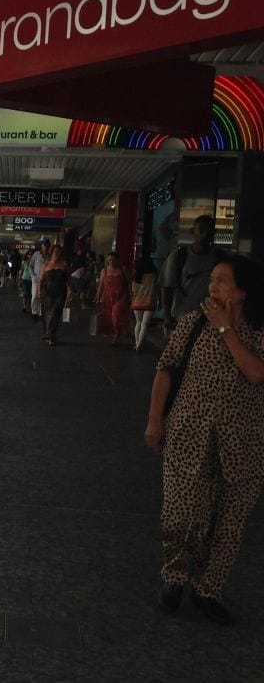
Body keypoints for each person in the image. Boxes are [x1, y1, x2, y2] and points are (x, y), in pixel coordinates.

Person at [144, 255, 264, 625]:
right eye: (211, 280)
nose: (212, 288)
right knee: (180, 511)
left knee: (229, 523)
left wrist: (227, 330)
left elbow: (256, 374)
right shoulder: (194, 322)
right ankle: (175, 577)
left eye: (222, 281)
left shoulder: (258, 330)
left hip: (244, 442)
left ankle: (208, 588)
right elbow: (166, 368)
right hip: (188, 432)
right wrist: (154, 420)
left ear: (243, 291)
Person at [160, 214, 224, 334]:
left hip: (210, 323)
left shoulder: (220, 258)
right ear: (193, 231)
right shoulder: (179, 257)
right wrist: (167, 316)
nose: (205, 235)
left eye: (209, 231)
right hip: (180, 320)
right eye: (201, 230)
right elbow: (167, 288)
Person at [38, 245, 71, 346]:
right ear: (52, 252)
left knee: (55, 313)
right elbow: (41, 280)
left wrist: (70, 291)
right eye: (56, 251)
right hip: (47, 292)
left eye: (60, 252)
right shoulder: (46, 265)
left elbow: (68, 279)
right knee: (47, 314)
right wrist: (39, 292)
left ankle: (49, 335)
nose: (58, 253)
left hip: (60, 292)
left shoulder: (64, 265)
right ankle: (49, 335)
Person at [96, 251, 131, 344]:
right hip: (107, 297)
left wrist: (131, 295)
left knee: (116, 315)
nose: (111, 262)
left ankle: (117, 335)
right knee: (108, 317)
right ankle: (115, 334)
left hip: (120, 296)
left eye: (113, 260)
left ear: (118, 260)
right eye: (109, 260)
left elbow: (129, 283)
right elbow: (101, 285)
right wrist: (97, 297)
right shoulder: (104, 271)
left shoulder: (123, 269)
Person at [131, 256, 160, 353]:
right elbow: (158, 289)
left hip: (137, 302)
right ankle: (139, 345)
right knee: (145, 324)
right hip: (150, 301)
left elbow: (133, 290)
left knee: (138, 323)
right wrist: (159, 300)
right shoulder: (154, 275)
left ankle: (136, 343)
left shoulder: (136, 276)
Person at [29, 238, 50, 321]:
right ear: (41, 246)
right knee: (34, 296)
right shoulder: (36, 254)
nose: (45, 247)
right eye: (44, 245)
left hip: (46, 279)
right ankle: (34, 312)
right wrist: (32, 275)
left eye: (47, 245)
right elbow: (30, 265)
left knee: (43, 296)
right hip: (36, 278)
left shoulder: (50, 256)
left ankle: (41, 312)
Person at [18, 248, 34, 314]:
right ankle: (24, 307)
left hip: (32, 280)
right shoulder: (24, 262)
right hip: (25, 279)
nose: (30, 255)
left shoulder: (35, 262)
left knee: (30, 294)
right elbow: (21, 271)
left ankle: (27, 307)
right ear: (27, 255)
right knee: (25, 294)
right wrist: (19, 279)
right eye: (29, 254)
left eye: (32, 254)